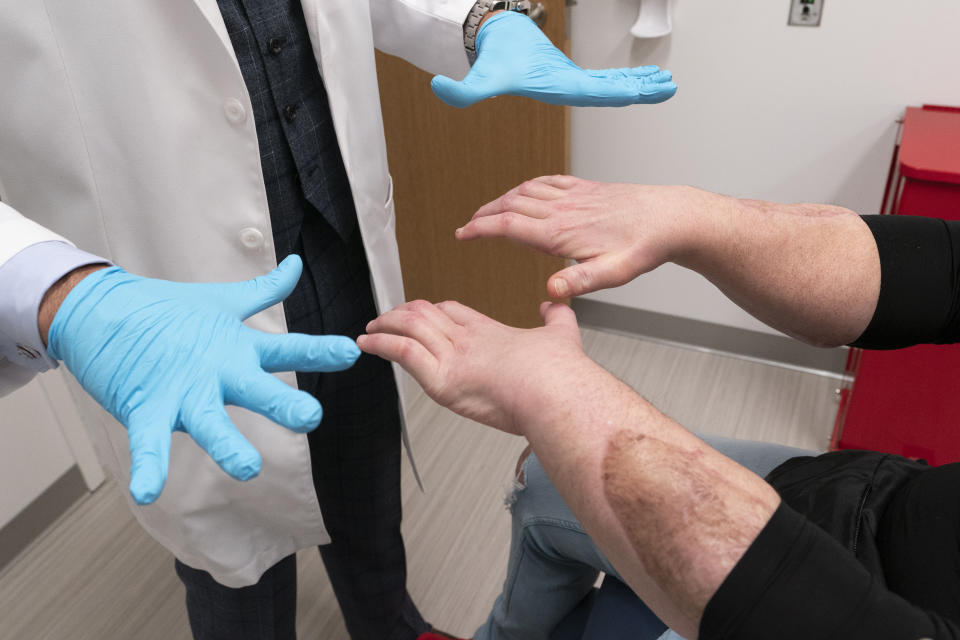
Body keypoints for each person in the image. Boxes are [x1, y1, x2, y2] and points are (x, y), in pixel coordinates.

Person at [0, 3, 677, 638]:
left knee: (365, 471)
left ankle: (389, 622)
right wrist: (49, 287)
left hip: (338, 241)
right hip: (164, 287)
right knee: (235, 548)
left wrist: (477, 19)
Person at [359, 174, 960, 639]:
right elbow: (935, 273)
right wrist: (691, 217)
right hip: (876, 498)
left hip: (840, 605)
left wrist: (552, 389)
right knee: (545, 480)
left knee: (559, 444)